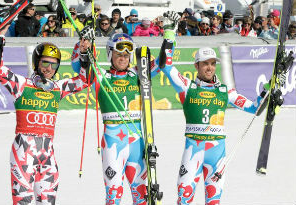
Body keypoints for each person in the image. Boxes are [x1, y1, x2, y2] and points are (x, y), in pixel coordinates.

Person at [71, 11, 180, 204]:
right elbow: (80, 69)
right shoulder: (101, 76)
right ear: (110, 54)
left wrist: (169, 34)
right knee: (113, 195)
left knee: (143, 196)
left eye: (126, 55)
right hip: (113, 144)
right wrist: (83, 46)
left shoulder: (139, 74)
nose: (123, 58)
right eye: (118, 54)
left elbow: (163, 63)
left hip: (138, 143)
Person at [159, 13, 266, 205]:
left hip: (217, 155)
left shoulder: (226, 91)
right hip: (193, 152)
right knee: (184, 199)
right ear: (197, 66)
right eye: (205, 64)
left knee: (214, 201)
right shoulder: (187, 87)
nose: (209, 68)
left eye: (212, 63)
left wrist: (269, 90)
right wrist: (169, 32)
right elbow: (166, 66)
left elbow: (256, 108)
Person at [0, 25, 90, 204]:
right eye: (45, 62)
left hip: (48, 156)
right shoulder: (22, 84)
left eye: (54, 64)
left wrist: (84, 53)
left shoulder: (58, 88)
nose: (49, 68)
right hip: (23, 154)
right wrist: (0, 35)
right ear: (37, 62)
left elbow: (86, 80)